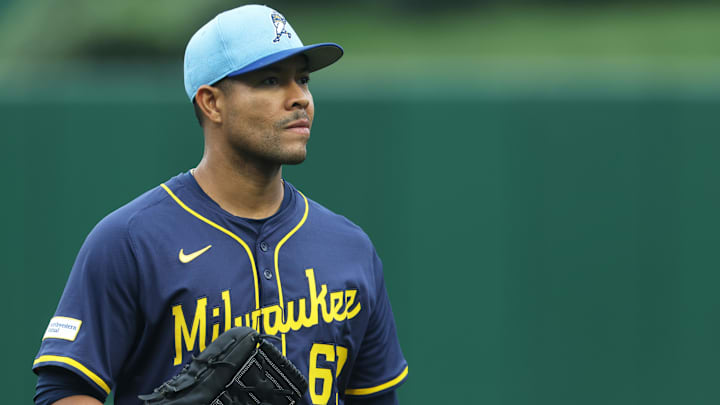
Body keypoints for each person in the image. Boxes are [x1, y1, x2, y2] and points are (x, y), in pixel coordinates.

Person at [32, 5, 408, 405]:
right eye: (270, 80)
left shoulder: (350, 248)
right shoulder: (130, 241)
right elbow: (63, 391)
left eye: (303, 79)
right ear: (212, 103)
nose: (299, 98)